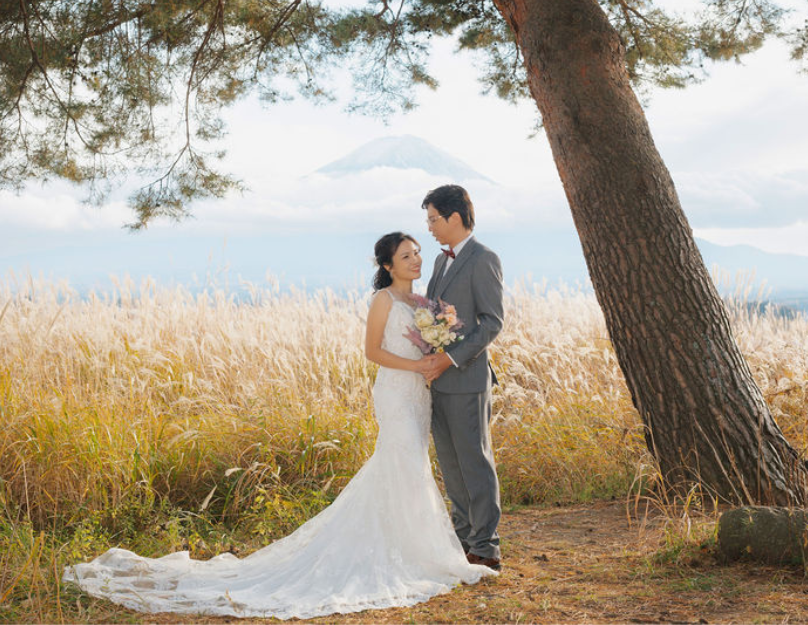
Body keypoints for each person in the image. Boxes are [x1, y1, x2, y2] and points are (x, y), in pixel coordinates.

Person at [61, 231, 495, 618]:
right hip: (397, 392)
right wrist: (419, 365)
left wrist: (432, 359)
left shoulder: (420, 303)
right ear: (387, 265)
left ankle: (414, 547)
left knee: (411, 465)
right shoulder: (382, 300)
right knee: (397, 460)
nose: (416, 260)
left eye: (417, 253)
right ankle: (400, 552)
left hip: (419, 393)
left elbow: (441, 337)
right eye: (406, 256)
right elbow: (372, 352)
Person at [416, 184, 505, 570]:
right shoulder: (440, 263)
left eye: (434, 219)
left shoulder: (484, 258)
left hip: (467, 379)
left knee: (474, 463)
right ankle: (463, 540)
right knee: (451, 466)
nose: (430, 227)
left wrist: (449, 358)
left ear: (455, 217)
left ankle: (486, 548)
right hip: (438, 382)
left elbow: (492, 323)